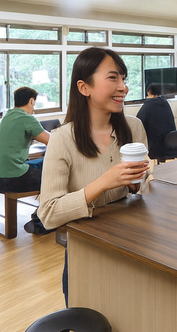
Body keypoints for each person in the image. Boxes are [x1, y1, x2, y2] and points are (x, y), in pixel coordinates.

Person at [37, 47, 149, 305]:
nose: (123, 87)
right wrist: (103, 183)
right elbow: (48, 213)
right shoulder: (62, 139)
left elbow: (142, 186)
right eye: (113, 78)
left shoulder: (134, 127)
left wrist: (138, 182)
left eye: (124, 78)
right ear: (83, 87)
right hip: (87, 253)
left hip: (133, 244)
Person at [0, 86, 52, 234]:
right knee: (57, 177)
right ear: (31, 101)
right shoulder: (26, 118)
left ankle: (42, 216)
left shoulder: (7, 116)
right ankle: (40, 221)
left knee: (43, 163)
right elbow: (53, 141)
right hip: (14, 178)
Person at [136, 82, 177, 161]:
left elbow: (138, 122)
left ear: (148, 92)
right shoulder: (165, 103)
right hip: (171, 144)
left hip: (156, 147)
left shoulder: (148, 106)